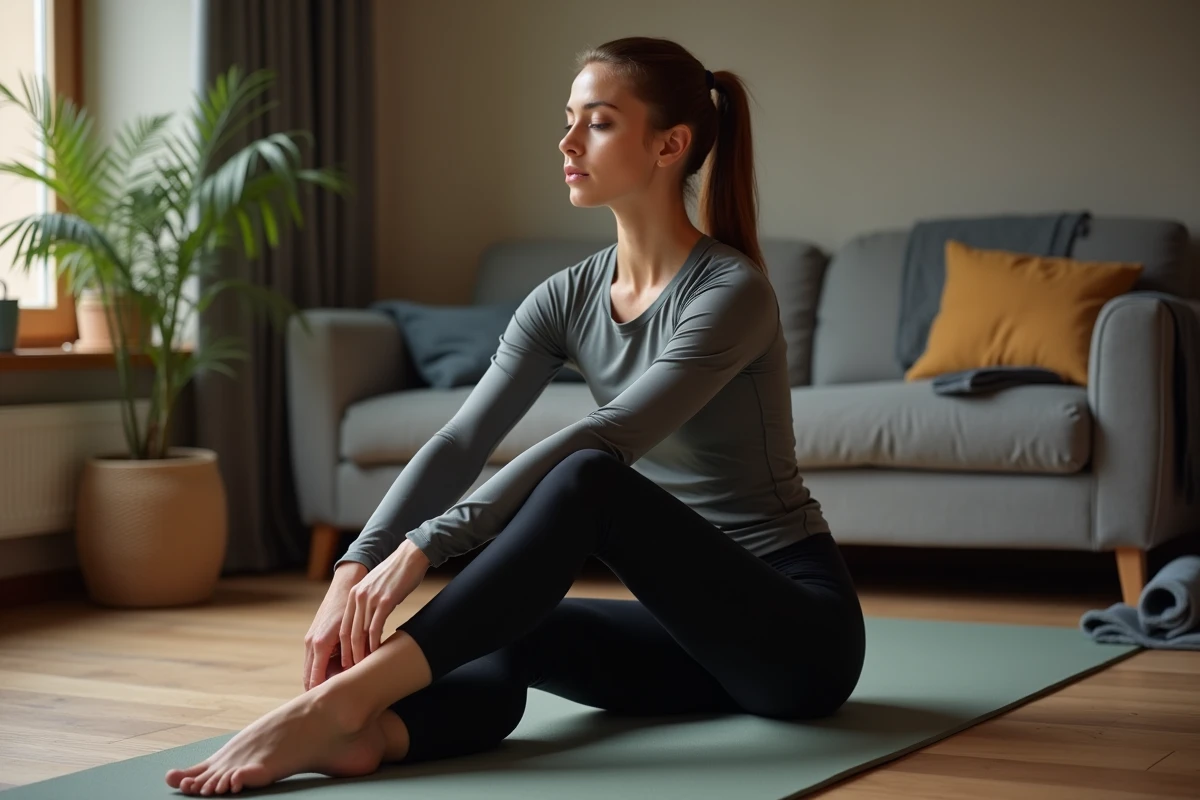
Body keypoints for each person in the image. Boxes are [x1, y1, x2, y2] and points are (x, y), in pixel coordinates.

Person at [166, 35, 866, 796]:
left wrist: (428, 547)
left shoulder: (730, 293)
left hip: (797, 642)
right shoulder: (568, 295)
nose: (566, 141)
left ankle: (336, 705)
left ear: (671, 145)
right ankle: (377, 739)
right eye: (568, 119)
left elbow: (605, 439)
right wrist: (357, 564)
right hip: (692, 636)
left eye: (597, 122)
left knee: (591, 479)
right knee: (512, 622)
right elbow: (463, 438)